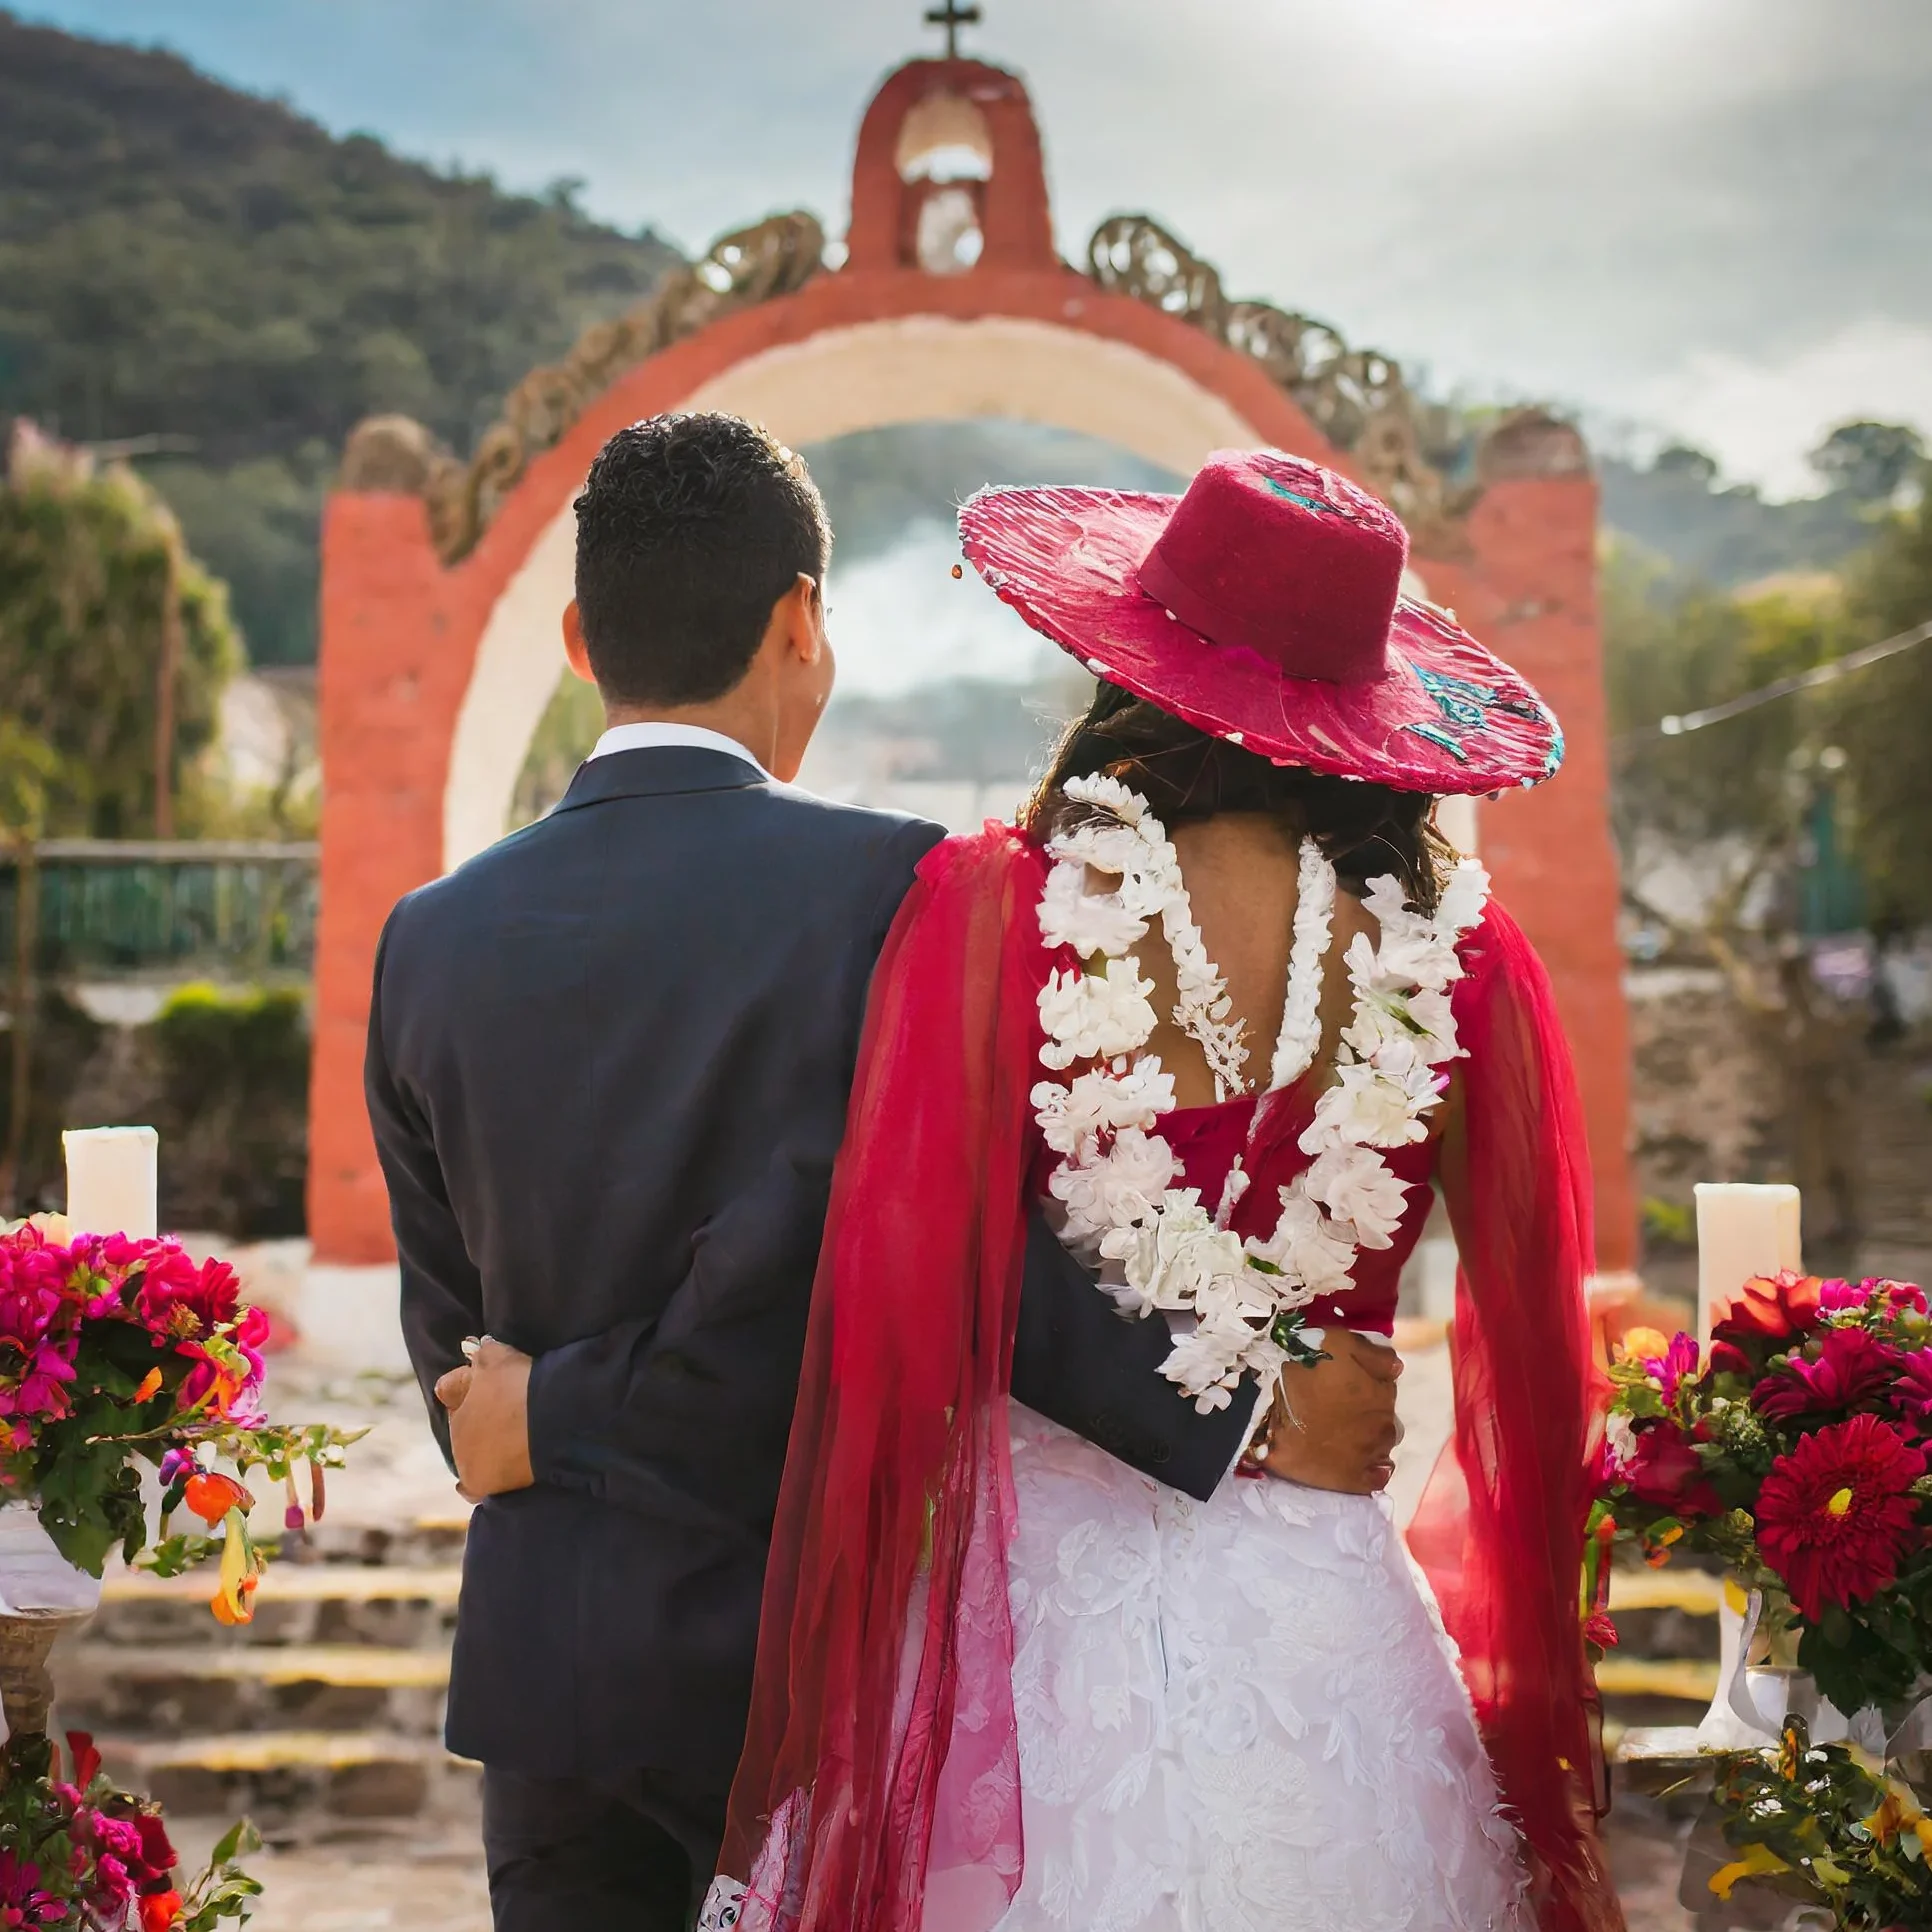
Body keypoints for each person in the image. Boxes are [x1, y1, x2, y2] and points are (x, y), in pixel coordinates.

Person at [363, 413, 1405, 1932]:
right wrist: (1247, 1414)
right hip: (814, 1669)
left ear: (580, 638)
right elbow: (953, 1257)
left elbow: (460, 1382)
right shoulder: (899, 890)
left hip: (552, 1684)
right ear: (801, 622)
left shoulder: (427, 938)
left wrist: (550, 1415)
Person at [707, 451, 1625, 1932]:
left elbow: (918, 1279)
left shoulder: (998, 907)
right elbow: (1527, 1342)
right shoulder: (1463, 957)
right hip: (1330, 1631)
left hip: (1029, 1628)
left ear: (1136, 665)